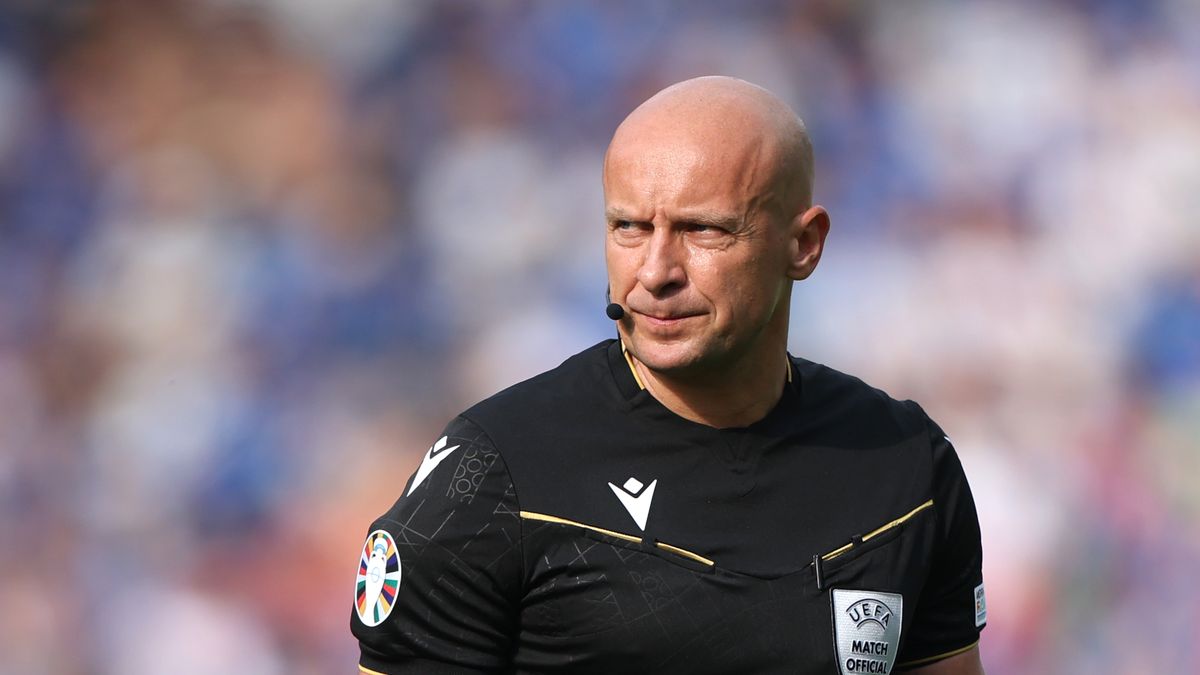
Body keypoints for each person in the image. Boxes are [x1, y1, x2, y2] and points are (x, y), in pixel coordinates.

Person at [351, 76, 987, 674]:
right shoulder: (490, 476)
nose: (655, 272)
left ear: (803, 245)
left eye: (701, 229)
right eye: (628, 226)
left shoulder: (906, 467)